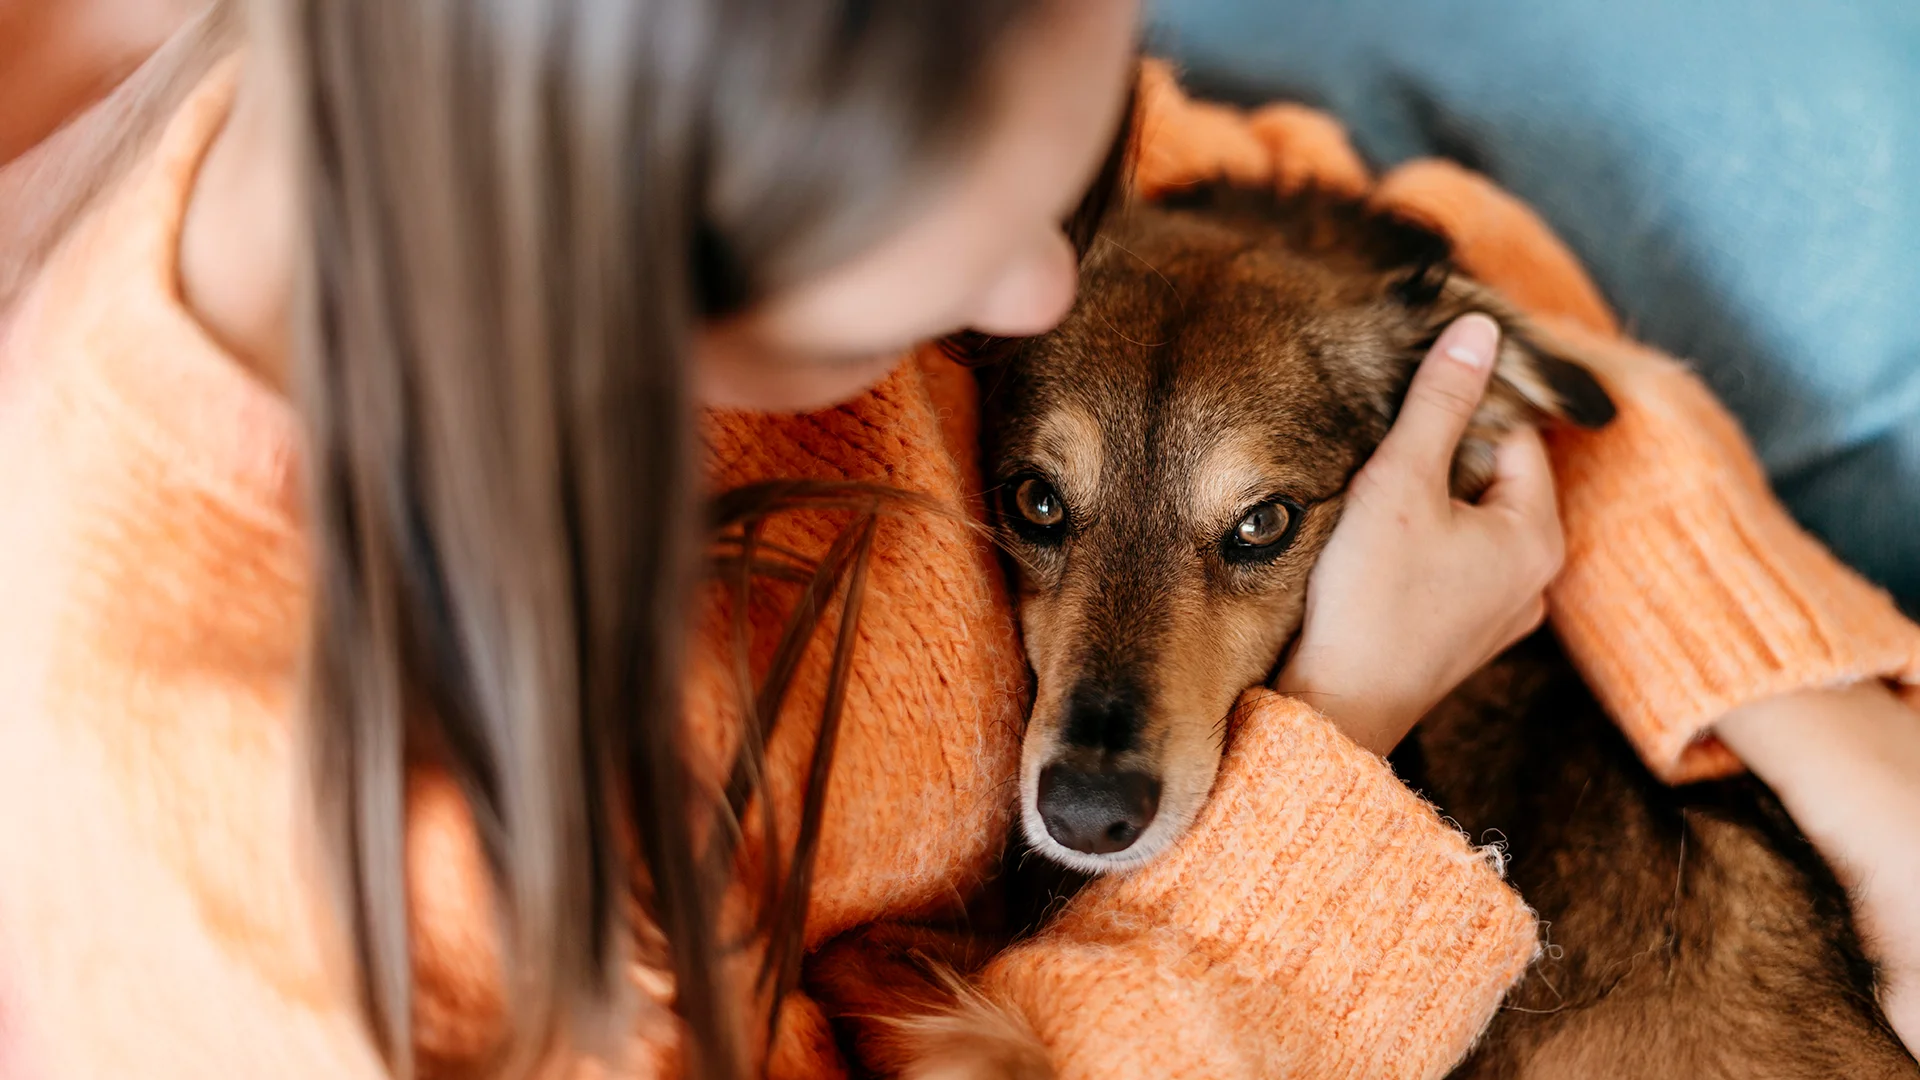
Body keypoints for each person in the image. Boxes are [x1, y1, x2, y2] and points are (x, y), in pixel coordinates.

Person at [0, 4, 1913, 1080]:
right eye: (1003, 230)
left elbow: (1332, 234)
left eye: (1081, 178)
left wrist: (1817, 721)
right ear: (682, 217)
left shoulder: (513, 92)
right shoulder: (294, 902)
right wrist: (1334, 737)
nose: (1050, 289)